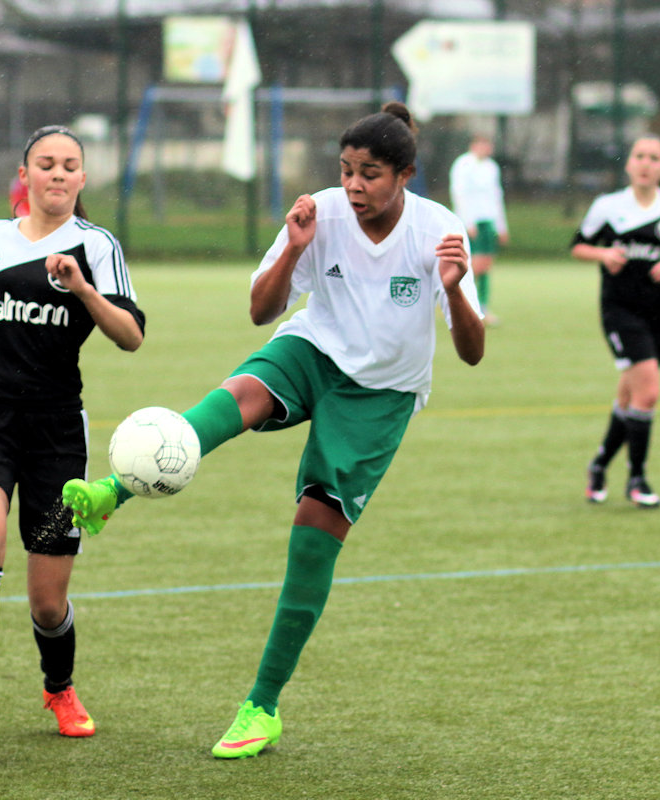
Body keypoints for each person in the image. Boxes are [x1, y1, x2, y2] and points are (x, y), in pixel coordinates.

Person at [62, 101, 485, 759]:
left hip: (381, 394)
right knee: (238, 395)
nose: (352, 186)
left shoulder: (439, 231)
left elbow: (472, 352)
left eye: (368, 174)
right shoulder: (321, 213)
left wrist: (455, 289)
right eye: (345, 171)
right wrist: (293, 246)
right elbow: (261, 311)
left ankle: (261, 705)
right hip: (314, 347)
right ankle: (113, 492)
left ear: (405, 174)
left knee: (313, 540)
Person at [0, 125, 146, 749]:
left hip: (56, 435)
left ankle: (59, 687)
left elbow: (130, 336)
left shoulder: (96, 246)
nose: (58, 174)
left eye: (70, 165)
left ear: (83, 178)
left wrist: (81, 288)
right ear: (26, 174)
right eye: (47, 164)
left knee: (46, 604)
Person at [570, 134, 660, 508]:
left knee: (631, 394)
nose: (646, 163)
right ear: (629, 164)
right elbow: (578, 246)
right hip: (619, 311)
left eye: (654, 158)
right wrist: (602, 254)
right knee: (648, 391)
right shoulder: (607, 206)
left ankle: (598, 465)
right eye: (639, 156)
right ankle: (637, 479)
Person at [449, 133, 508, 324]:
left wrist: (501, 226)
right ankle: (458, 300)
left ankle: (481, 305)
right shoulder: (464, 164)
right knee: (474, 264)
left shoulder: (492, 167)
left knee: (486, 265)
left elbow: (496, 196)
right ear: (474, 145)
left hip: (489, 221)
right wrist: (467, 222)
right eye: (483, 144)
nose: (487, 149)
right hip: (473, 222)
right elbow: (459, 194)